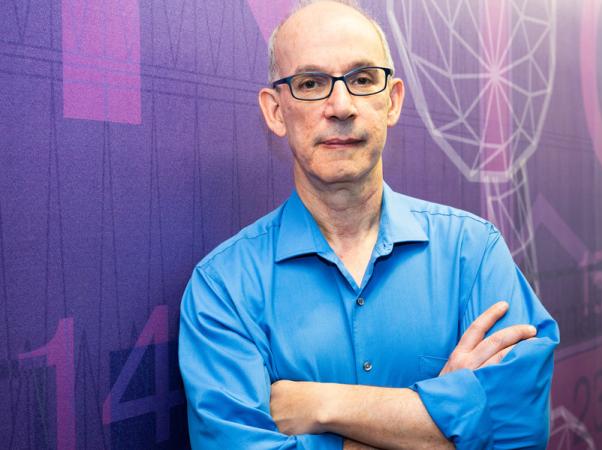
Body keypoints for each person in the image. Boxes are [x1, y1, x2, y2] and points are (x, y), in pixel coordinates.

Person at [178, 1, 560, 448]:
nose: (341, 106)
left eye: (361, 80)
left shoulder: (472, 252)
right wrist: (449, 424)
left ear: (392, 100)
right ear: (276, 112)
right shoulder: (224, 289)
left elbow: (520, 433)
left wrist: (325, 406)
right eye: (310, 83)